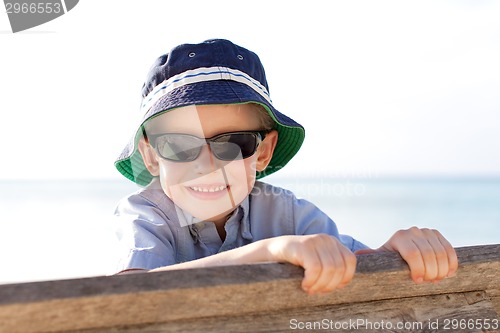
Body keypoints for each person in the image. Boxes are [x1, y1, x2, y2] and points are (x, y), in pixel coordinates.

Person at [114, 39, 458, 295]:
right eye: (178, 144)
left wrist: (397, 252)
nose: (206, 165)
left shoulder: (288, 215)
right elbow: (133, 293)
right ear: (152, 156)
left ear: (263, 153)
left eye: (234, 143)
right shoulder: (145, 215)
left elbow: (355, 264)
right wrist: (265, 253)